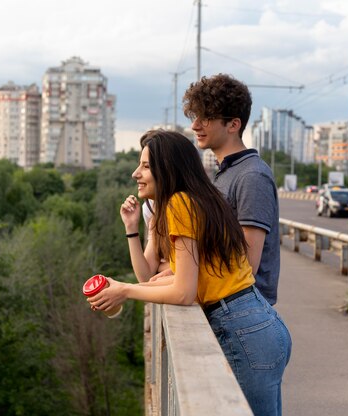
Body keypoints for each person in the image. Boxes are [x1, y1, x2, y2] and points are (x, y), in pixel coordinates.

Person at [88, 130, 291, 415]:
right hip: (256, 323)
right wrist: (131, 283)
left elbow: (184, 293)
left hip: (244, 330)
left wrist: (123, 290)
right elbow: (197, 276)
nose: (136, 173)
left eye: (146, 166)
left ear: (167, 169)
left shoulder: (180, 204)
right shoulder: (194, 199)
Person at [183, 73, 281, 305]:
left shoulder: (252, 176)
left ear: (233, 125)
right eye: (196, 116)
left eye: (206, 118)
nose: (195, 125)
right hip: (227, 306)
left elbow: (246, 264)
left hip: (243, 314)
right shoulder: (226, 173)